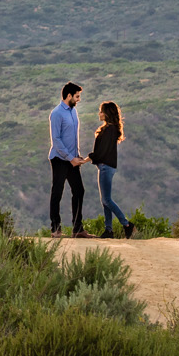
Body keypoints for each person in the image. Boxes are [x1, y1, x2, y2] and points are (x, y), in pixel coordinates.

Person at [47, 82, 90, 237]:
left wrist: (76, 156)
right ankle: (55, 229)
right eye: (77, 96)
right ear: (69, 95)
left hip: (72, 158)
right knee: (57, 192)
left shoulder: (73, 112)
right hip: (59, 159)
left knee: (79, 190)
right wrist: (69, 158)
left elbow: (73, 136)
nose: (79, 99)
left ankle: (77, 229)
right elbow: (56, 140)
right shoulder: (57, 113)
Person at [92, 100, 135, 239]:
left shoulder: (109, 130)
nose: (99, 114)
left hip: (106, 166)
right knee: (104, 200)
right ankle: (108, 230)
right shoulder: (108, 129)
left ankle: (127, 224)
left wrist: (86, 159)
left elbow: (102, 152)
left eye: (101, 111)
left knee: (107, 200)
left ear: (106, 113)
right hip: (104, 166)